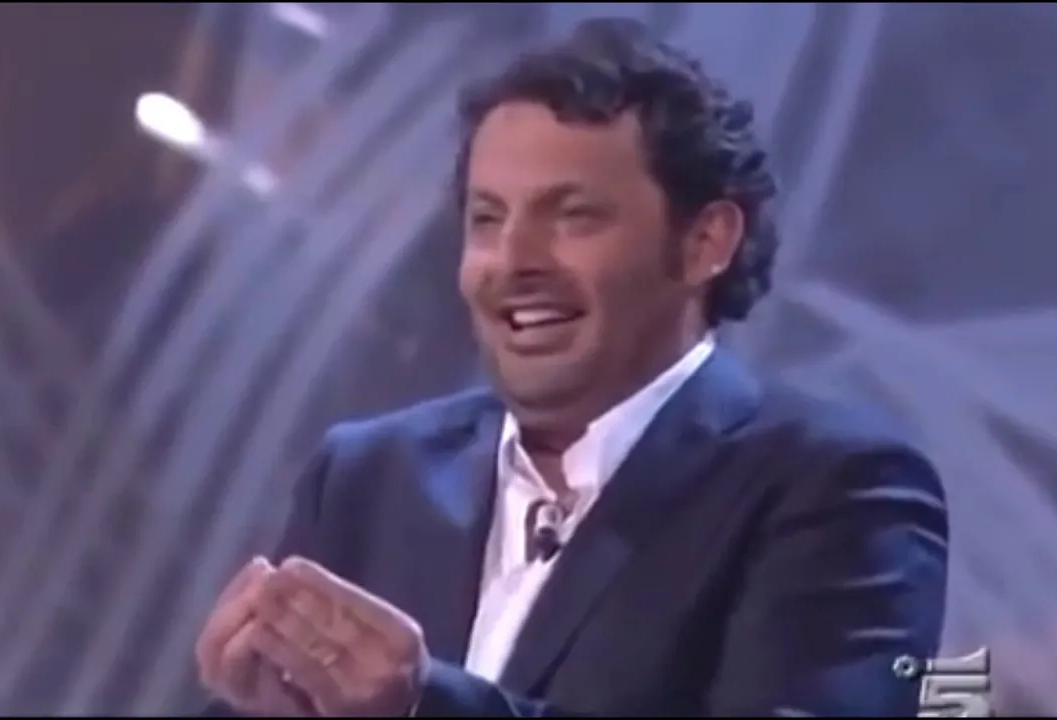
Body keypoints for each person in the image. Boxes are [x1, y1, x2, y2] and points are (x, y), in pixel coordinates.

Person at [194, 17, 948, 717]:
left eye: (573, 216)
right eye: (487, 219)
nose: (513, 261)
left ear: (705, 242)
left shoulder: (836, 487)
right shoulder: (368, 477)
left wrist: (427, 707)